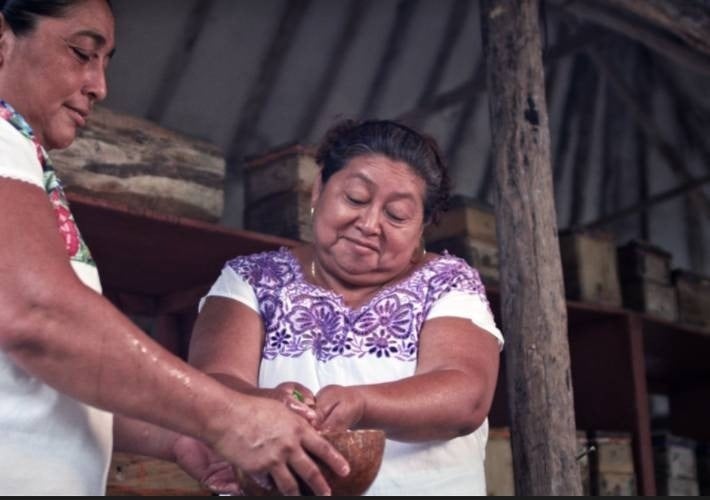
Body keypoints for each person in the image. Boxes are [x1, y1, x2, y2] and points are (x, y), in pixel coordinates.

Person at [0, 0, 349, 495]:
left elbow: (44, 380)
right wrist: (227, 415)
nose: (100, 86)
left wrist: (182, 434)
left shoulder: (23, 160)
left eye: (105, 62)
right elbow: (40, 317)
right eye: (82, 52)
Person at [190, 119, 504, 495]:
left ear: (422, 225)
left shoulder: (449, 283)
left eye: (397, 215)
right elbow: (210, 387)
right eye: (355, 198)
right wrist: (270, 405)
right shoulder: (250, 281)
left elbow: (465, 396)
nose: (370, 224)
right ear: (319, 188)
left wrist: (361, 405)